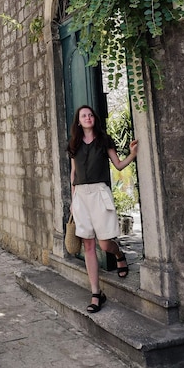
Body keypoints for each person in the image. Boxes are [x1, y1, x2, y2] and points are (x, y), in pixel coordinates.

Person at [67, 105, 138, 313]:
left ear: (94, 119)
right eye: (83, 116)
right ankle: (96, 293)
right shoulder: (73, 144)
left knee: (105, 244)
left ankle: (118, 254)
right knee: (88, 245)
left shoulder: (104, 140)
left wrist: (132, 154)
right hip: (80, 195)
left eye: (90, 115)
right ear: (78, 121)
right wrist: (73, 200)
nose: (87, 118)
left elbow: (118, 164)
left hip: (99, 193)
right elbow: (73, 173)